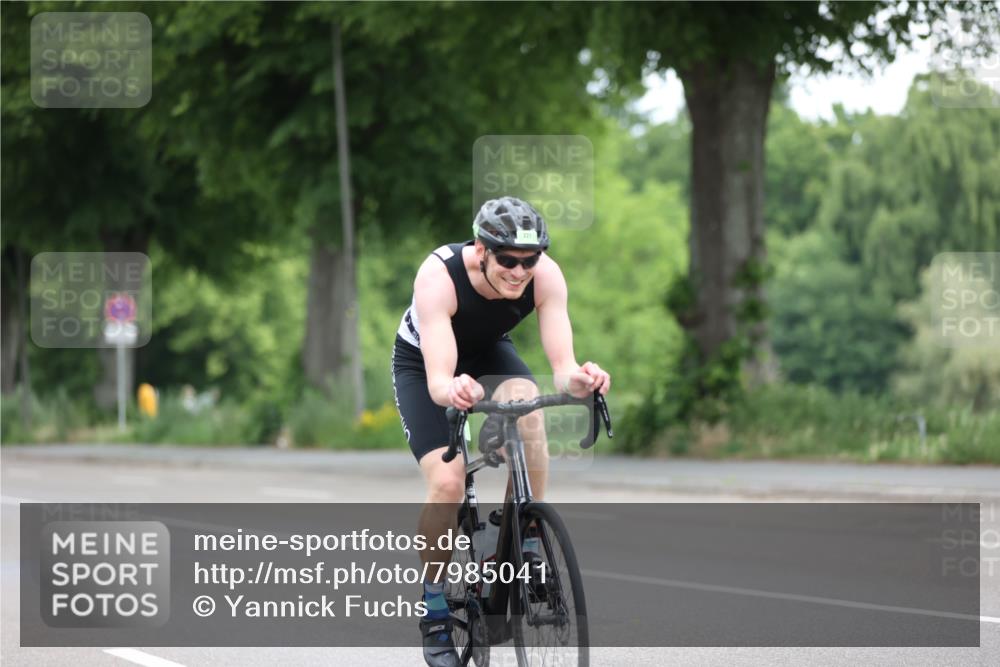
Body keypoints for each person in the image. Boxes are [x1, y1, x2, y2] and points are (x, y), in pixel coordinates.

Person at [390, 196, 611, 666]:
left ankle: (527, 537)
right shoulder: (439, 276)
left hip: (489, 351)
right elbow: (439, 381)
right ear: (481, 249)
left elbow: (562, 369)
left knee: (528, 410)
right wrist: (455, 389)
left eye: (529, 261)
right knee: (448, 482)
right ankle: (432, 604)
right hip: (427, 363)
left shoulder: (545, 276)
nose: (519, 271)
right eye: (508, 260)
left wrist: (583, 378)